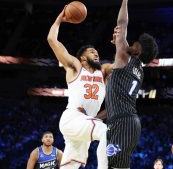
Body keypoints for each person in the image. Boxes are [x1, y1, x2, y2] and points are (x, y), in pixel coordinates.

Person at [47, 7, 113, 169]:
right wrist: (58, 20)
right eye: (92, 52)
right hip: (72, 118)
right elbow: (52, 40)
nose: (96, 53)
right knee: (106, 132)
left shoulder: (103, 72)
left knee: (70, 166)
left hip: (84, 124)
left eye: (97, 52)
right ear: (83, 58)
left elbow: (121, 64)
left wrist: (121, 42)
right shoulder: (76, 66)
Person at [104, 0, 159, 168]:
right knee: (116, 165)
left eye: (135, 43)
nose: (132, 43)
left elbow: (122, 23)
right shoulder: (139, 71)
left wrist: (124, 2)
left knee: (116, 165)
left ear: (138, 50)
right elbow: (114, 93)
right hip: (125, 121)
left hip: (123, 122)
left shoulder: (124, 57)